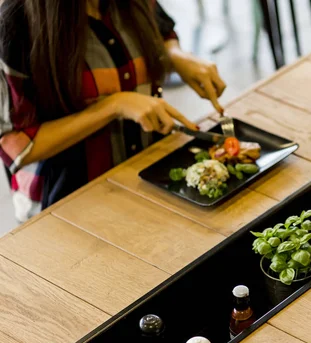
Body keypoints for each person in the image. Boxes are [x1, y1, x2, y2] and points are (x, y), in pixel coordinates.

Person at [0, 0, 227, 221]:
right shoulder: (15, 22)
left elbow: (162, 31)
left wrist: (176, 56)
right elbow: (16, 147)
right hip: (66, 206)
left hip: (148, 175)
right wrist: (113, 106)